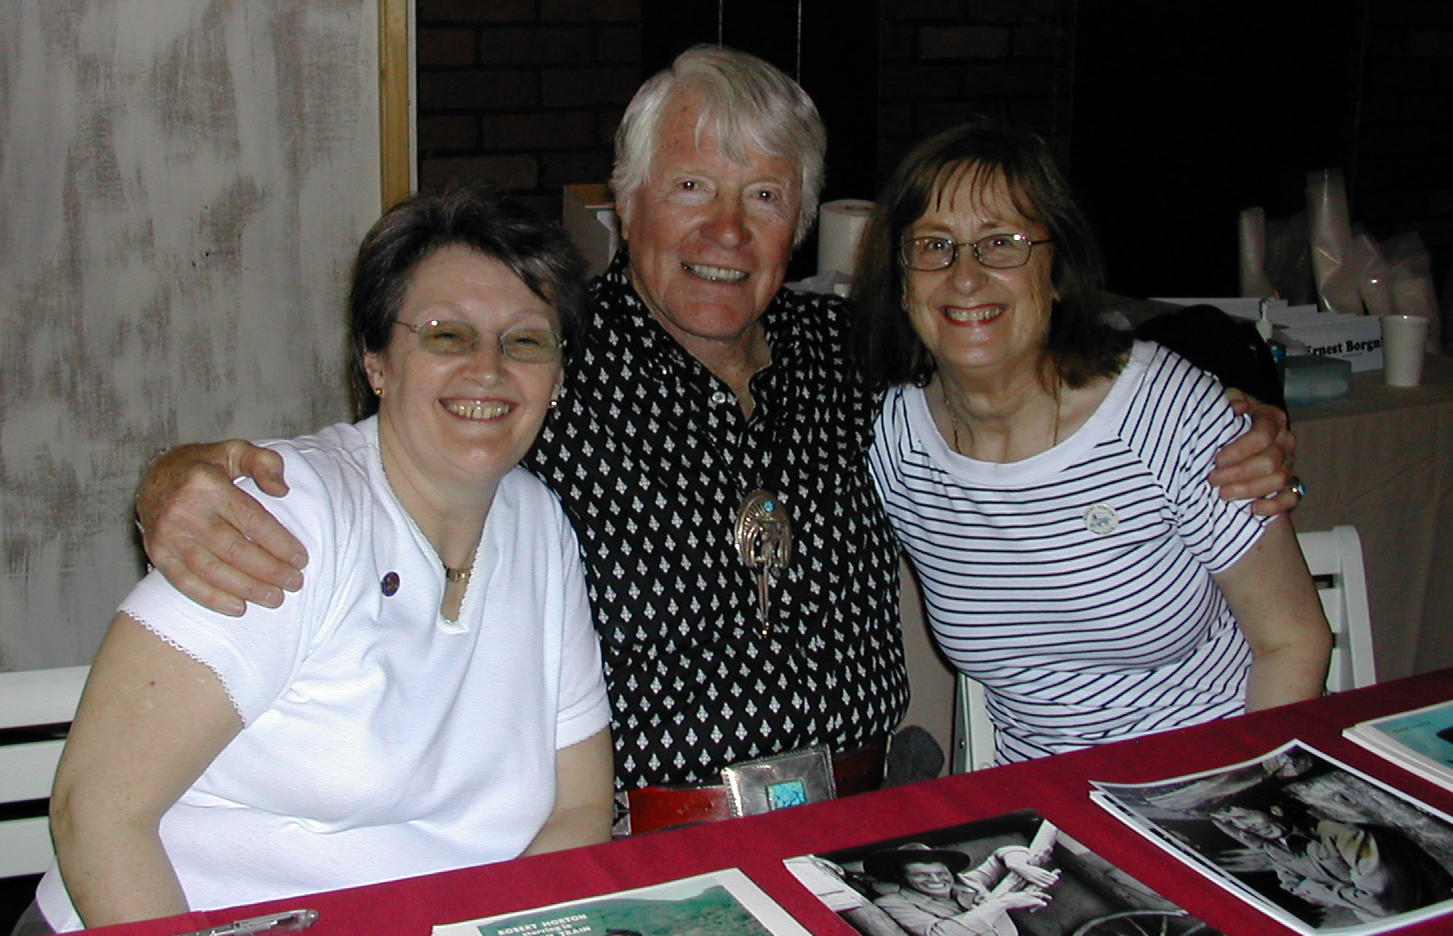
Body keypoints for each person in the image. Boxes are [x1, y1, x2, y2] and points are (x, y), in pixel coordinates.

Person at [133, 49, 1298, 822]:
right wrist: (185, 479)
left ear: (806, 225)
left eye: (767, 195)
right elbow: (388, 441)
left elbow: (1053, 345)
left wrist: (1237, 404)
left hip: (861, 817)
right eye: (691, 187)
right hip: (644, 833)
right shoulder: (549, 374)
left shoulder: (859, 355)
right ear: (623, 205)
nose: (727, 232)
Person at [31, 189, 612, 931]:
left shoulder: (540, 526)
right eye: (445, 335)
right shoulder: (287, 514)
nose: (487, 369)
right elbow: (97, 812)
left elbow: (580, 805)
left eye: (526, 341)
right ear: (376, 361)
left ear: (558, 378)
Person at [851, 117, 1331, 764]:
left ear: (1055, 271)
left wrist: (1247, 797)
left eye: (1003, 242)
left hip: (1215, 778)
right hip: (1044, 812)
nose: (965, 276)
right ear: (902, 279)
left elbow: (1294, 641)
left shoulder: (1162, 413)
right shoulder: (893, 440)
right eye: (935, 246)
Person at [1211, 802, 1453, 923]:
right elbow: (1290, 885)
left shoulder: (1343, 835)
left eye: (1243, 816)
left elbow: (1382, 903)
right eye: (1235, 824)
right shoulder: (1279, 848)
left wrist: (1315, 889)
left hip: (1430, 917)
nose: (1245, 826)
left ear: (1274, 810)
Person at [862, 842, 1057, 936]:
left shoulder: (970, 883)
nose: (936, 880)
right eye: (922, 875)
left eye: (941, 872)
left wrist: (1019, 866)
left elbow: (1004, 852)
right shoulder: (892, 903)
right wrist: (1004, 903)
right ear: (901, 877)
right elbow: (941, 934)